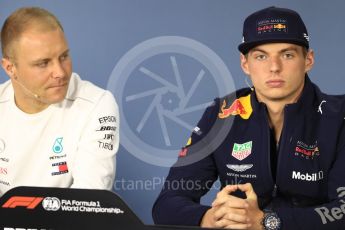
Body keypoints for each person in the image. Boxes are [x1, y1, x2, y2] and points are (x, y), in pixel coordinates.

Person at [152, 6, 345, 230]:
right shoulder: (222, 114)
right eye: (261, 56)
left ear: (308, 60)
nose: (274, 67)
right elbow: (167, 203)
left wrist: (267, 223)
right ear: (245, 64)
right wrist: (212, 217)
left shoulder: (339, 117)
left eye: (287, 54)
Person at [0, 7, 119, 196]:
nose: (61, 73)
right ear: (10, 68)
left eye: (64, 56)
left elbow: (88, 201)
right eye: (43, 63)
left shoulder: (97, 104)